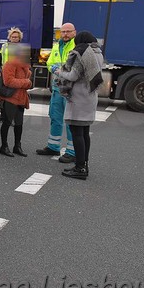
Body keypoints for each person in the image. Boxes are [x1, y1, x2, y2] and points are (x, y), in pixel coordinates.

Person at [53, 31, 104, 180]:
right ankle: (84, 165)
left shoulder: (82, 53)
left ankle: (79, 168)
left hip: (79, 97)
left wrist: (58, 71)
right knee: (84, 132)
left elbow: (73, 76)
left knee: (76, 133)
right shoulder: (98, 53)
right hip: (90, 97)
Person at [36, 22, 77, 163]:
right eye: (63, 32)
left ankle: (72, 151)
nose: (65, 34)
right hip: (57, 88)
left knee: (70, 121)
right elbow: (49, 62)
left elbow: (74, 68)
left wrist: (59, 69)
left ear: (74, 33)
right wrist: (53, 68)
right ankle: (53, 146)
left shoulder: (75, 46)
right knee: (55, 117)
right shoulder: (56, 46)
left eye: (68, 32)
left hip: (71, 90)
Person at [0, 43, 32, 157]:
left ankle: (17, 146)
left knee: (19, 124)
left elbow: (28, 82)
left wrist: (27, 83)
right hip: (10, 98)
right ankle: (4, 146)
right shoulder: (9, 64)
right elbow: (8, 81)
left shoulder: (25, 66)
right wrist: (26, 83)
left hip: (21, 98)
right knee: (7, 123)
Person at [0, 27, 23, 123]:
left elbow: (25, 66)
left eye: (16, 37)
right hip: (4, 74)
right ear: (9, 37)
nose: (14, 39)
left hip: (15, 76)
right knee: (2, 95)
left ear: (19, 38)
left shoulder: (22, 49)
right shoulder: (4, 46)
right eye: (13, 37)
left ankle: (12, 118)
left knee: (14, 97)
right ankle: (2, 115)